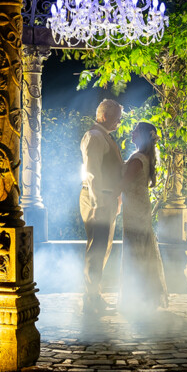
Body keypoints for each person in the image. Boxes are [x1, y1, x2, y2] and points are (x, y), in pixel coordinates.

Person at [120, 122, 168, 314]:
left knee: (135, 251)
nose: (132, 133)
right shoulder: (145, 156)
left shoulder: (138, 159)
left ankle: (139, 296)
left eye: (135, 130)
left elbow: (122, 183)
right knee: (140, 250)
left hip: (135, 210)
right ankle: (144, 295)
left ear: (141, 135)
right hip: (139, 207)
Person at [80, 99, 123, 315]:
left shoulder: (103, 136)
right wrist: (97, 203)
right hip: (96, 199)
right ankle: (91, 300)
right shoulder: (94, 137)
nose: (119, 122)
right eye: (116, 117)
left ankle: (95, 296)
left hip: (106, 199)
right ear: (104, 115)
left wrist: (116, 198)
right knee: (96, 249)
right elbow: (92, 172)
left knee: (103, 248)